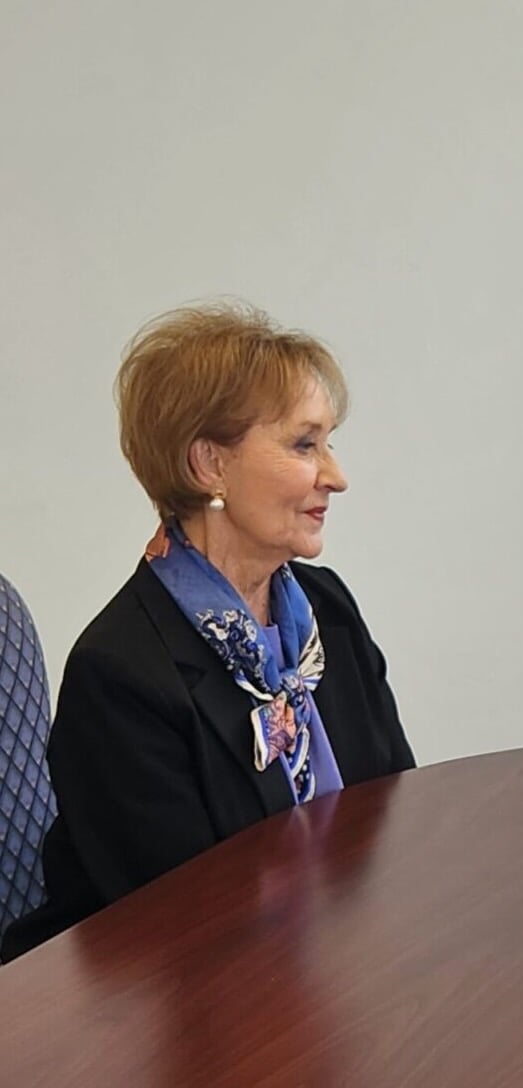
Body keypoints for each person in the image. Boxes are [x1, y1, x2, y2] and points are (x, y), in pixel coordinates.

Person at [1, 304, 415, 961]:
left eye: (328, 443)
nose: (336, 476)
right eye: (305, 445)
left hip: (343, 979)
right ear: (208, 466)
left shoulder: (326, 607)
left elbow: (396, 818)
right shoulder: (122, 672)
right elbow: (193, 939)